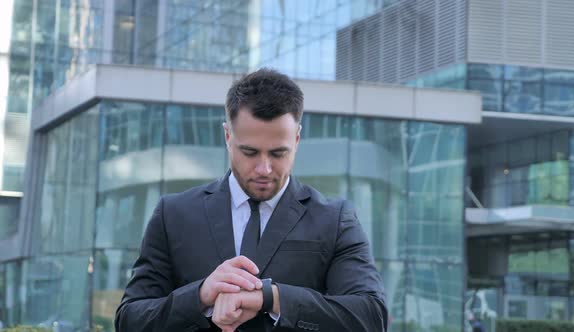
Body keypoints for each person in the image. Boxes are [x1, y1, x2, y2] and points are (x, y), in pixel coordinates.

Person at [115, 68, 387, 331]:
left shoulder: (334, 219)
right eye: (250, 152)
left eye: (278, 153)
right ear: (227, 136)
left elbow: (371, 318)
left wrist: (270, 297)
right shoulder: (173, 214)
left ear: (298, 139)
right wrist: (200, 295)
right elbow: (129, 320)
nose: (264, 169)